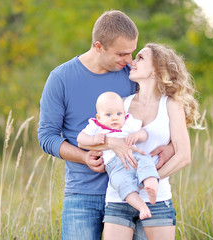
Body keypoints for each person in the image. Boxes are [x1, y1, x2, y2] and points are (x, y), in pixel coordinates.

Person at [38, 10, 174, 240]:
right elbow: (47, 137)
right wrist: (83, 157)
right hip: (83, 194)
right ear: (99, 46)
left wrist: (170, 147)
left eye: (132, 52)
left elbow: (160, 113)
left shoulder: (130, 77)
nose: (129, 61)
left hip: (133, 194)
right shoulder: (61, 78)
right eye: (122, 54)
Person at [101, 43, 202, 240]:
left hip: (157, 202)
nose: (133, 61)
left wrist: (146, 182)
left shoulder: (171, 105)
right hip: (119, 198)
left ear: (157, 68)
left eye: (140, 58)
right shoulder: (122, 104)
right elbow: (103, 137)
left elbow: (183, 156)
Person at [77, 91, 159, 220]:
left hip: (134, 155)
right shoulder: (96, 126)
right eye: (108, 114)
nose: (115, 118)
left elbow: (144, 134)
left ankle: (151, 186)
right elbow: (80, 139)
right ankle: (142, 207)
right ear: (99, 117)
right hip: (114, 165)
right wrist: (93, 140)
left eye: (119, 114)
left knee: (147, 163)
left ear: (124, 114)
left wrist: (136, 135)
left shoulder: (128, 122)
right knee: (121, 184)